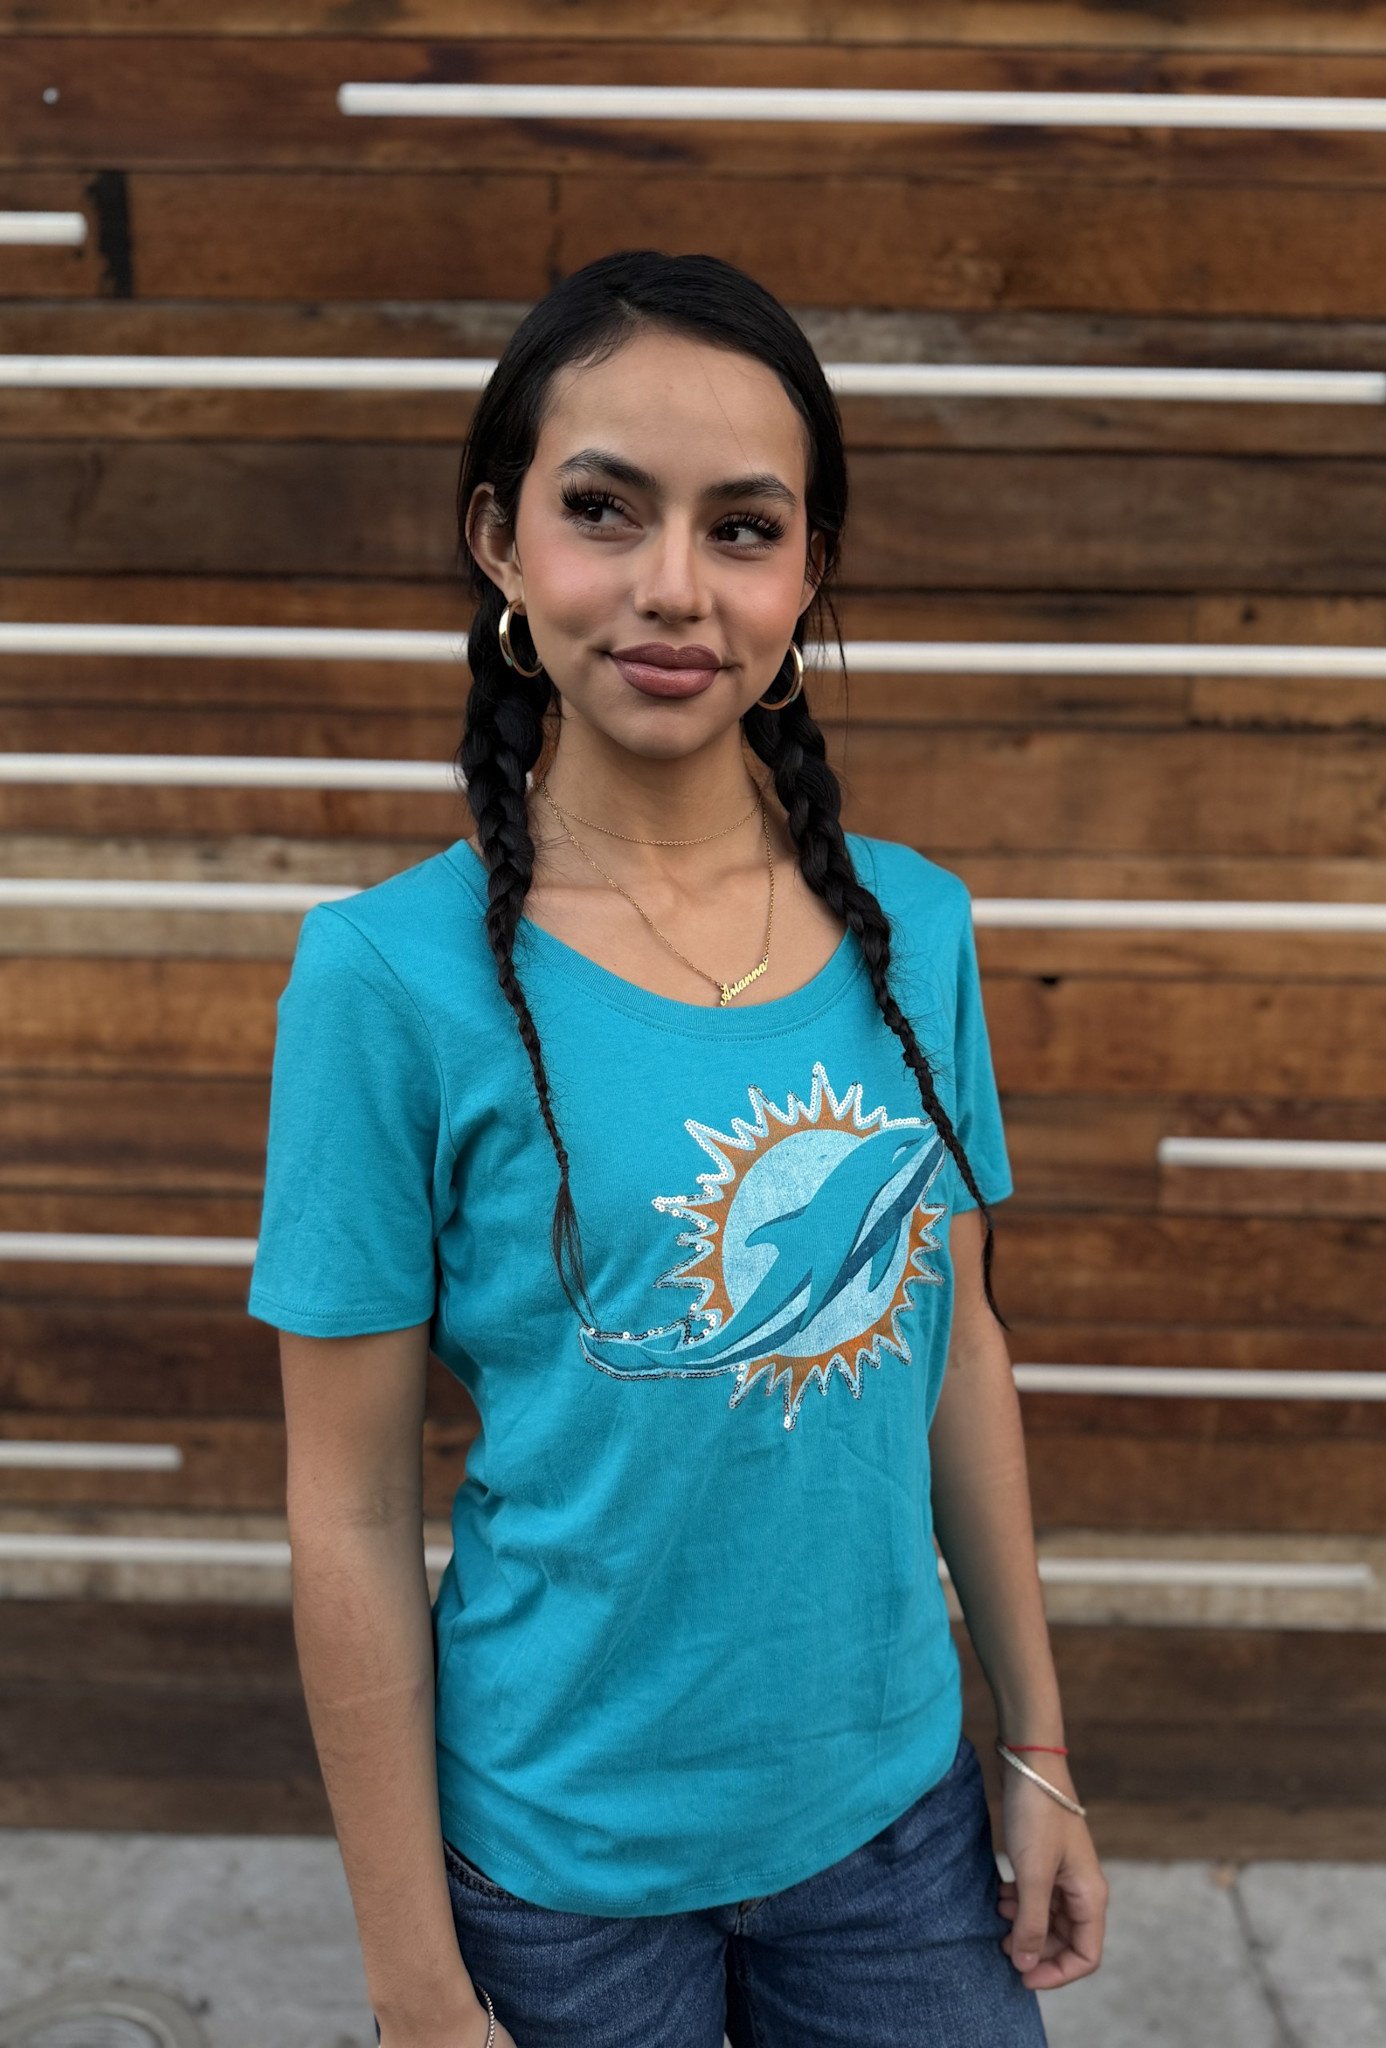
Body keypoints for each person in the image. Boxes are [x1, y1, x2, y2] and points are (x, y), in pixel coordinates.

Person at [248, 248, 1107, 2048]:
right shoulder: (387, 978)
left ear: (809, 574)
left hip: (895, 1833)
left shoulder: (916, 930)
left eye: (743, 528)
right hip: (555, 1882)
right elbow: (346, 1510)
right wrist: (418, 1993)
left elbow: (958, 1349)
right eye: (603, 508)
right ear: (500, 540)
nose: (672, 587)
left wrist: (1035, 1746)